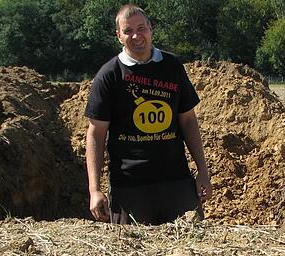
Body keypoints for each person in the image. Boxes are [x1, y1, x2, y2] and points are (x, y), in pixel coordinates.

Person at [84, 4, 212, 225]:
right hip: (129, 186)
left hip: (176, 180)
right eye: (128, 30)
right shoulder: (109, 75)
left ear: (151, 29)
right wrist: (94, 189)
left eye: (141, 28)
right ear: (118, 36)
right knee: (132, 253)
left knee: (190, 247)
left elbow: (188, 120)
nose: (136, 35)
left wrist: (202, 170)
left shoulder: (172, 67)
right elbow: (95, 134)